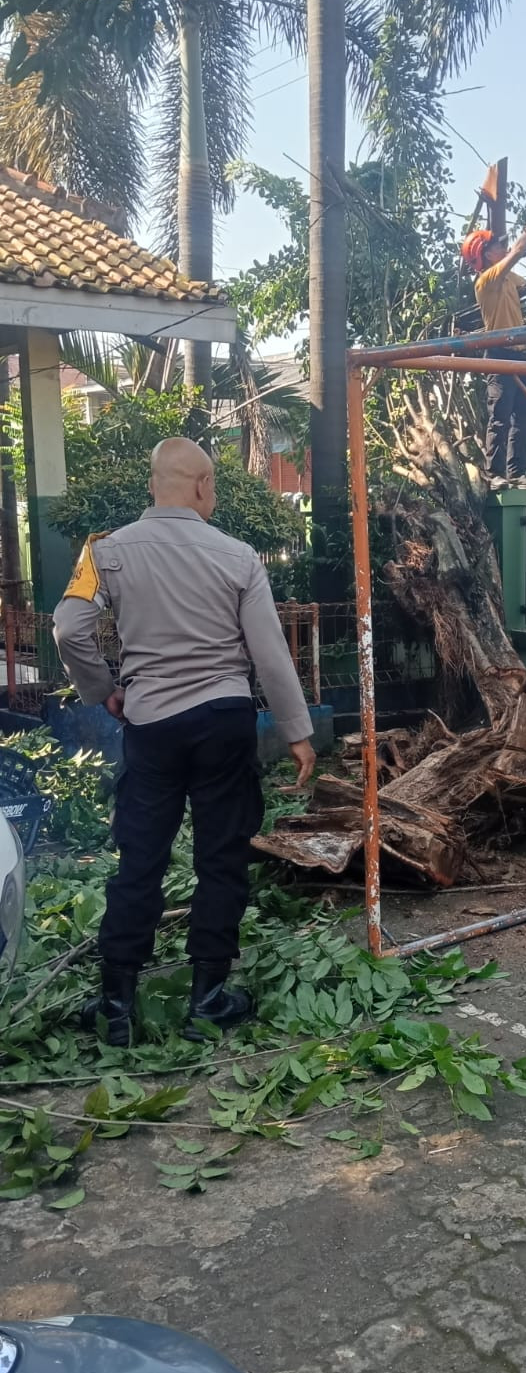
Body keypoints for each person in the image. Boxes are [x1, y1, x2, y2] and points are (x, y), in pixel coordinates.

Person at [53, 437, 316, 1046]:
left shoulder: (105, 551)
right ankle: (210, 998)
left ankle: (116, 1005)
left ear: (152, 483)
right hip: (224, 719)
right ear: (201, 485)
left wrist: (104, 690)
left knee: (140, 860)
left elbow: (69, 628)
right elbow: (269, 654)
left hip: (151, 725)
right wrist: (297, 731)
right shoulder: (239, 555)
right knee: (222, 857)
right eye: (215, 486)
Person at [461, 212, 526, 485]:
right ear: (486, 255)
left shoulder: (509, 278)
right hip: (498, 354)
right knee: (501, 416)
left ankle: (516, 473)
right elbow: (516, 253)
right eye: (497, 246)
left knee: (523, 417)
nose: (502, 248)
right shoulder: (486, 281)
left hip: (519, 353)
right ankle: (494, 474)